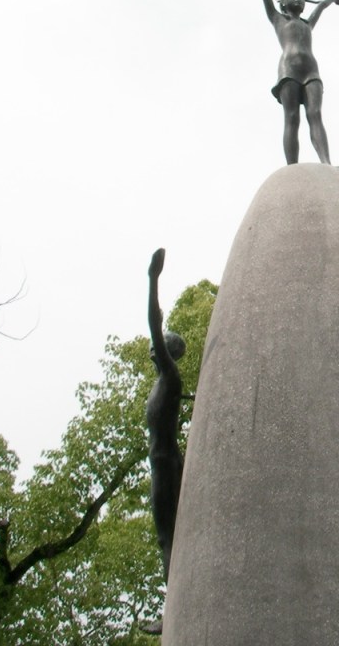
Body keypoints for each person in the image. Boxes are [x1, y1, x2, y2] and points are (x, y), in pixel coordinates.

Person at [221, 0, 339, 165]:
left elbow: (321, 6)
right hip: (289, 70)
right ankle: (292, 169)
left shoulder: (307, 24)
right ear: (282, 2)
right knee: (291, 118)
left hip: (311, 71)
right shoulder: (277, 18)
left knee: (315, 115)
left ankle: (327, 164)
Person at [146, 248, 186, 589]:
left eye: (161, 344)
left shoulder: (170, 378)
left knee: (168, 537)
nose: (153, 347)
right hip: (163, 463)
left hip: (166, 463)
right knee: (168, 536)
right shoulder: (164, 383)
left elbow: (153, 327)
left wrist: (153, 280)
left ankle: (172, 607)